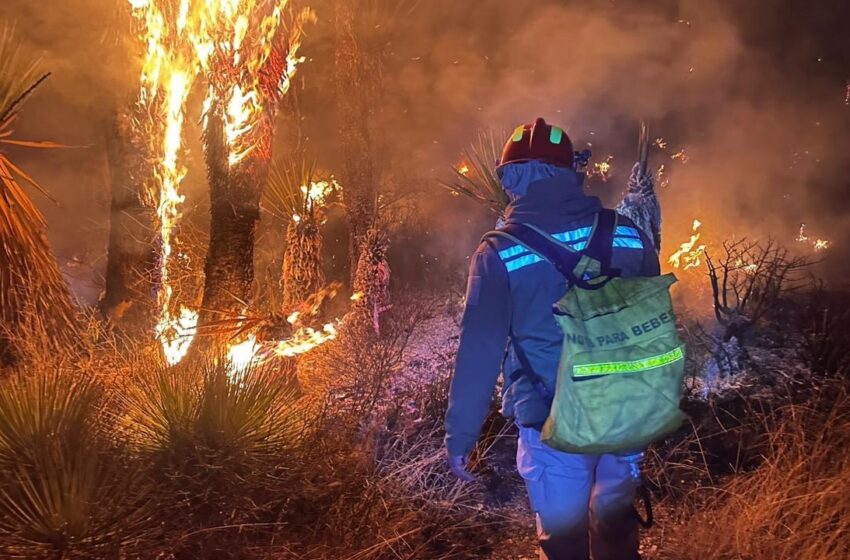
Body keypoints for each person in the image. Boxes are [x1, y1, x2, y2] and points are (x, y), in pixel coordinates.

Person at [444, 118, 660, 560]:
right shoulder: (628, 233)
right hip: (623, 418)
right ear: (571, 171)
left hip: (552, 424)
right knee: (617, 537)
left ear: (508, 177)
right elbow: (654, 330)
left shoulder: (499, 251)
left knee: (564, 545)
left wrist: (461, 437)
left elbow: (478, 353)